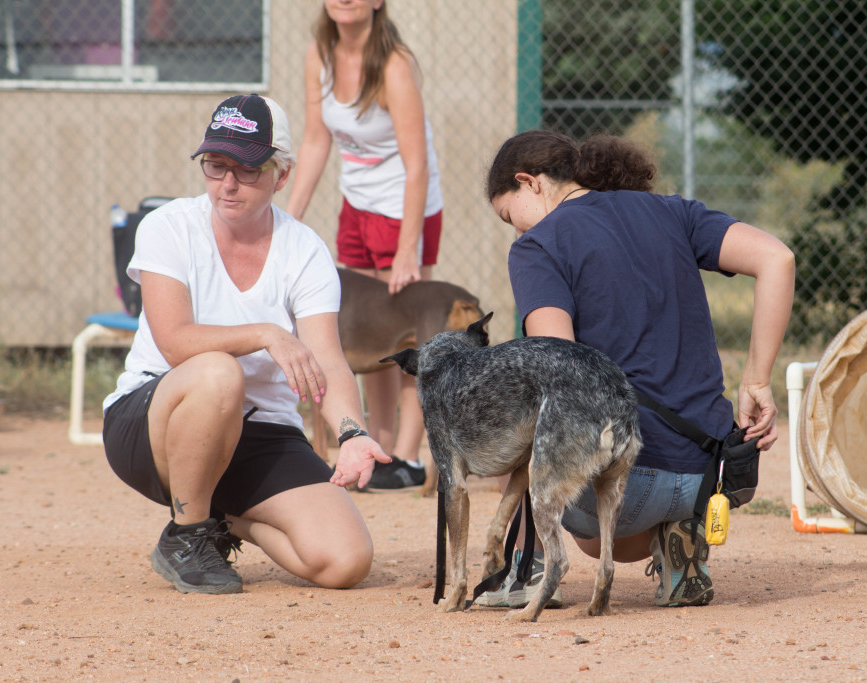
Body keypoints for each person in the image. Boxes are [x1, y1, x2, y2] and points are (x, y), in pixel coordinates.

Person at [478, 130, 795, 609]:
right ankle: (676, 538)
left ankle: (529, 570)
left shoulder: (537, 246)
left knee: (513, 406)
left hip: (622, 486)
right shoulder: (673, 212)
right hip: (710, 477)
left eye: (509, 215)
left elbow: (558, 367)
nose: (517, 232)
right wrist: (756, 380)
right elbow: (778, 258)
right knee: (596, 536)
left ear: (530, 182)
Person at [102, 93, 392, 595]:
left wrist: (351, 433)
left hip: (258, 430)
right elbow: (174, 342)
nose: (228, 184)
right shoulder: (169, 226)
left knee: (346, 561)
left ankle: (224, 520)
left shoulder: (304, 250)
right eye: (216, 166)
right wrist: (265, 333)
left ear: (282, 174)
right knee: (218, 371)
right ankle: (188, 535)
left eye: (248, 169)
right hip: (157, 420)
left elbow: (330, 363)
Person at [286, 0, 444, 491]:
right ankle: (379, 445)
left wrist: (406, 249)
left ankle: (410, 457)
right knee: (369, 331)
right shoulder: (320, 55)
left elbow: (416, 164)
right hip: (356, 205)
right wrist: (286, 219)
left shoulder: (395, 65)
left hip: (406, 208)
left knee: (408, 333)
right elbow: (315, 141)